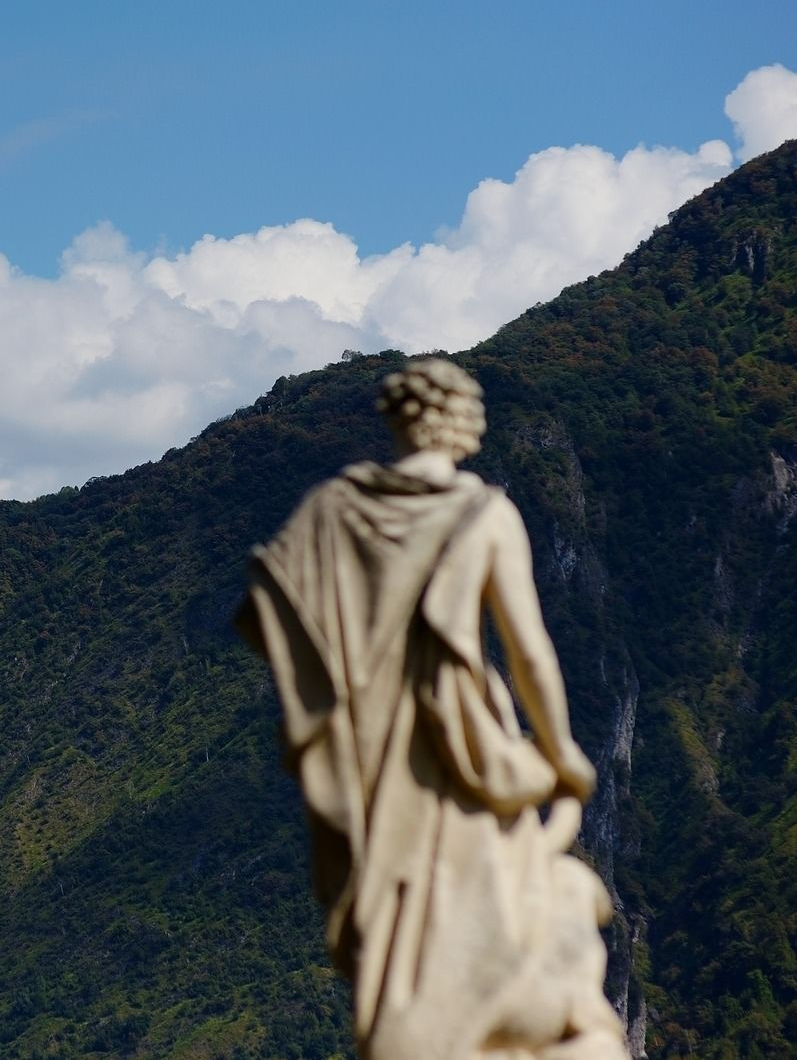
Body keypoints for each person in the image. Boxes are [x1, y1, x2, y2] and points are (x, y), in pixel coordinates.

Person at [236, 358, 626, 1060]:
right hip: (456, 748)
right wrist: (561, 748)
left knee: (395, 914)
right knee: (477, 898)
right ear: (462, 422)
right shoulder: (482, 513)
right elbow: (529, 650)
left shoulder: (335, 508)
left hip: (367, 750)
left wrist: (358, 672)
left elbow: (274, 607)